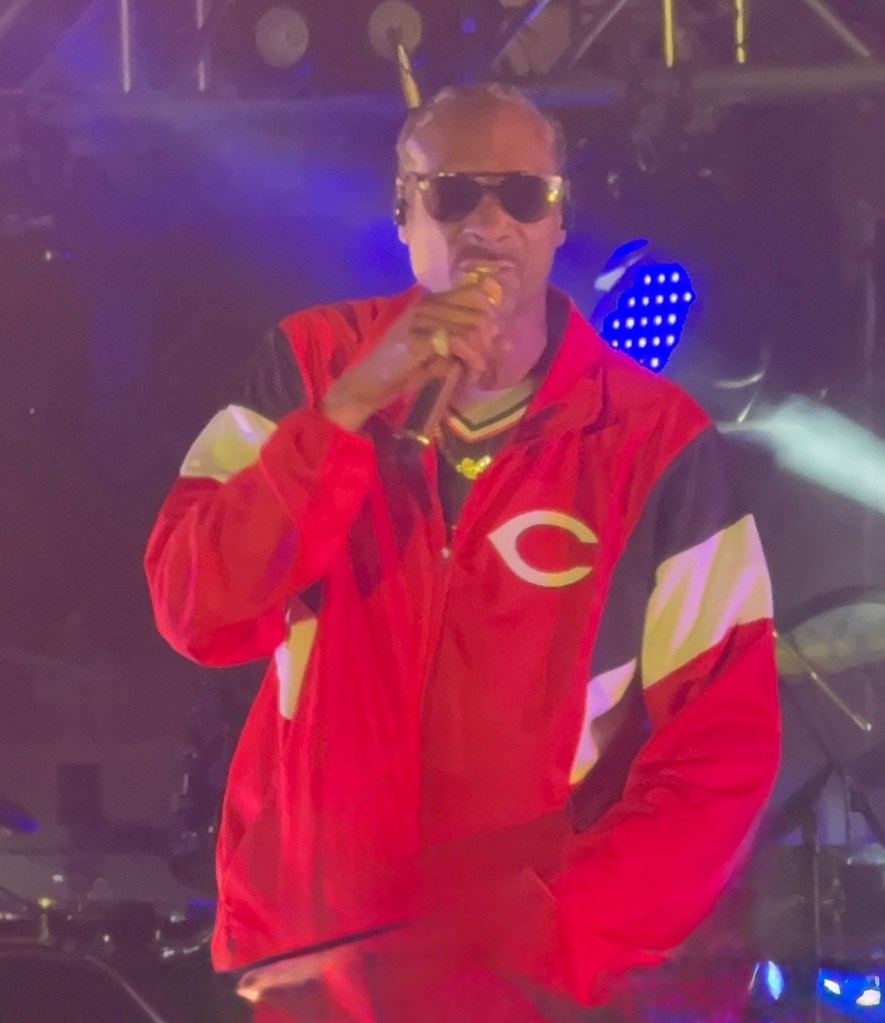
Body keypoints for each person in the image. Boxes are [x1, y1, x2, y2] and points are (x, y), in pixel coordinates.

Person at [145, 83, 781, 1022]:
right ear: (404, 215)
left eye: (521, 195)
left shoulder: (654, 438)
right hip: (318, 966)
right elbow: (196, 606)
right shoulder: (309, 364)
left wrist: (552, 933)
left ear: (558, 219)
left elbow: (721, 746)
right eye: (451, 194)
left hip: (523, 982)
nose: (488, 223)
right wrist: (347, 409)